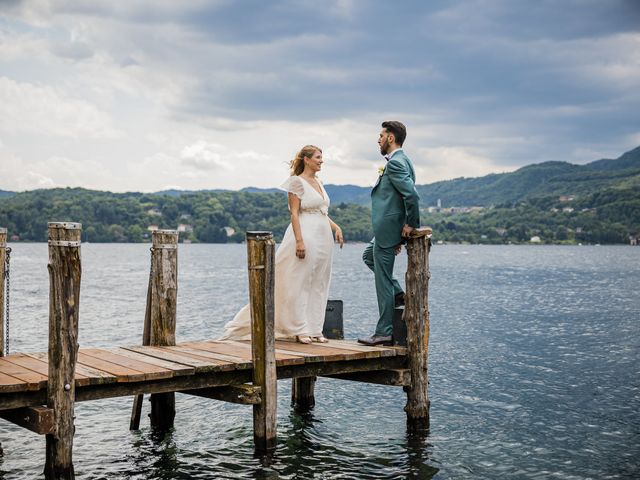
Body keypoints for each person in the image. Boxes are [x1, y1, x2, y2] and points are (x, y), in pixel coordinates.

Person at [220, 145, 344, 344]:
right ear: (306, 159)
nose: (322, 161)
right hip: (306, 233)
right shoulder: (296, 182)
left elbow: (322, 211)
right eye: (318, 157)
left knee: (319, 282)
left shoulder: (319, 182)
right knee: (300, 281)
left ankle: (314, 328)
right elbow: (294, 213)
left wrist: (336, 227)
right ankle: (299, 328)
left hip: (323, 237)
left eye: (322, 157)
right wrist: (299, 241)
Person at [358, 121, 420, 346]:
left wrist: (409, 226)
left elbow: (411, 196)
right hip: (387, 229)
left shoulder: (396, 164)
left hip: (389, 229)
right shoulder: (404, 160)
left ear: (391, 138)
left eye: (381, 135)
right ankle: (397, 293)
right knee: (367, 256)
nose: (378, 139)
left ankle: (383, 331)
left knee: (382, 279)